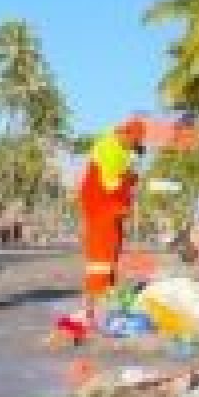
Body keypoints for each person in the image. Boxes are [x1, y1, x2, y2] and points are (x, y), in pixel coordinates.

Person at [79, 117, 145, 320]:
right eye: (134, 144)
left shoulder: (119, 149)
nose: (133, 150)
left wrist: (130, 176)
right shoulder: (110, 148)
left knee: (110, 258)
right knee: (101, 260)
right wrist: (130, 179)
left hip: (110, 211)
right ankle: (95, 309)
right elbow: (110, 185)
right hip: (102, 211)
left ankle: (104, 303)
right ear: (126, 135)